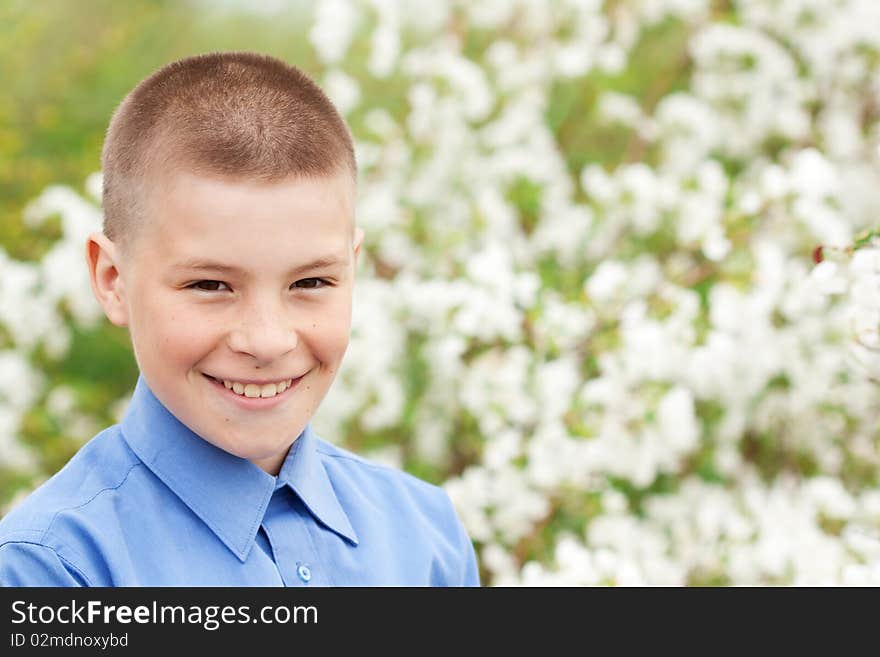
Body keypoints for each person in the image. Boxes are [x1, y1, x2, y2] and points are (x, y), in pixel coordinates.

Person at [0, 52, 480, 586]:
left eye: (310, 283)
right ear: (113, 279)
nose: (268, 341)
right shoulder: (50, 568)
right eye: (210, 286)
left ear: (353, 268)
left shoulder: (425, 536)